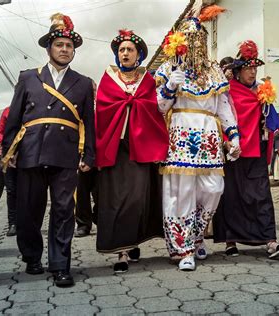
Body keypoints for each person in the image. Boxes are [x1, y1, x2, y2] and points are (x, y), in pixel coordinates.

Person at [2, 13, 94, 287]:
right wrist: (10, 150)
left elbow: (89, 122)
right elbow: (15, 117)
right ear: (49, 49)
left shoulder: (83, 82)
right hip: (30, 151)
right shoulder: (29, 78)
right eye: (60, 45)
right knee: (29, 210)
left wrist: (89, 155)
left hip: (66, 153)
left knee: (64, 210)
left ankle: (60, 265)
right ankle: (31, 256)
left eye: (69, 46)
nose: (65, 49)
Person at [156, 13, 240, 271]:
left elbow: (224, 106)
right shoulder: (169, 67)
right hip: (180, 135)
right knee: (182, 194)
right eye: (189, 38)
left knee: (214, 188)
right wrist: (170, 86)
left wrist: (233, 135)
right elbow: (159, 108)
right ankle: (183, 248)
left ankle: (198, 234)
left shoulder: (214, 70)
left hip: (209, 140)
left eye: (199, 38)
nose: (195, 43)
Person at [95, 29, 169, 273]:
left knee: (137, 199)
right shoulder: (108, 79)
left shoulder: (148, 81)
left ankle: (133, 240)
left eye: (129, 50)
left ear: (138, 55)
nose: (124, 53)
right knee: (115, 200)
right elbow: (103, 110)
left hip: (140, 148)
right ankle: (122, 251)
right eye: (121, 50)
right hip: (114, 148)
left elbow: (156, 110)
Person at [213, 40, 279, 259]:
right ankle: (230, 241)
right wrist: (227, 141)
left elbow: (273, 121)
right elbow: (221, 118)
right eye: (248, 68)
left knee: (261, 195)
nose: (252, 72)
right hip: (233, 151)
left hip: (257, 148)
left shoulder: (262, 91)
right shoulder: (227, 92)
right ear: (238, 71)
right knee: (231, 195)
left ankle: (271, 241)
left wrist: (270, 114)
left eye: (255, 68)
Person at [74, 80, 98, 238]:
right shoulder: (76, 109)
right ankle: (83, 224)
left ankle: (101, 219)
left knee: (102, 193)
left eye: (93, 91)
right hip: (81, 156)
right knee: (81, 192)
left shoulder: (103, 108)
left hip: (101, 156)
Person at [0, 106, 17, 236]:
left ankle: (27, 221)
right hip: (9, 154)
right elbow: (0, 131)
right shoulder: (8, 111)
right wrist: (7, 145)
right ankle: (12, 223)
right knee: (11, 190)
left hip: (29, 153)